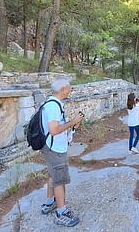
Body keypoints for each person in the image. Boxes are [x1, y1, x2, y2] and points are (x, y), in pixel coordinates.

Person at [40, 78, 84, 227]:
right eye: (69, 88)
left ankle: (49, 203)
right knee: (59, 179)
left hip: (53, 147)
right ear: (63, 89)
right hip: (55, 149)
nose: (70, 90)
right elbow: (53, 130)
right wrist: (72, 122)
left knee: (53, 175)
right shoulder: (53, 106)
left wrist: (73, 126)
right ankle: (61, 212)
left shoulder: (53, 104)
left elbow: (59, 128)